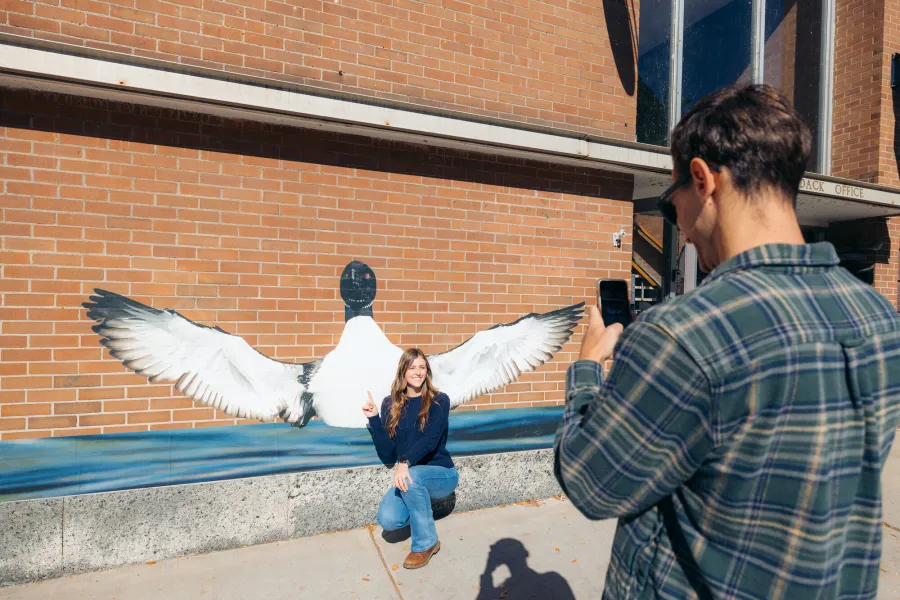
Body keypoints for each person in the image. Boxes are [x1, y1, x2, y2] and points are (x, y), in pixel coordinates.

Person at [554, 83, 900, 599]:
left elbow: (592, 482)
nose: (682, 228)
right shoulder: (880, 320)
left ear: (702, 180)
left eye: (671, 206)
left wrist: (586, 370)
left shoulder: (683, 333)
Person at [363, 348, 458, 569]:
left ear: (427, 371)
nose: (418, 372)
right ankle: (421, 512)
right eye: (412, 367)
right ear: (403, 371)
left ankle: (426, 543)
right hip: (409, 477)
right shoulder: (390, 403)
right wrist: (374, 419)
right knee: (389, 519)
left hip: (441, 474)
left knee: (413, 477)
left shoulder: (439, 401)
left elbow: (430, 441)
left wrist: (404, 462)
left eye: (422, 367)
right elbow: (387, 452)